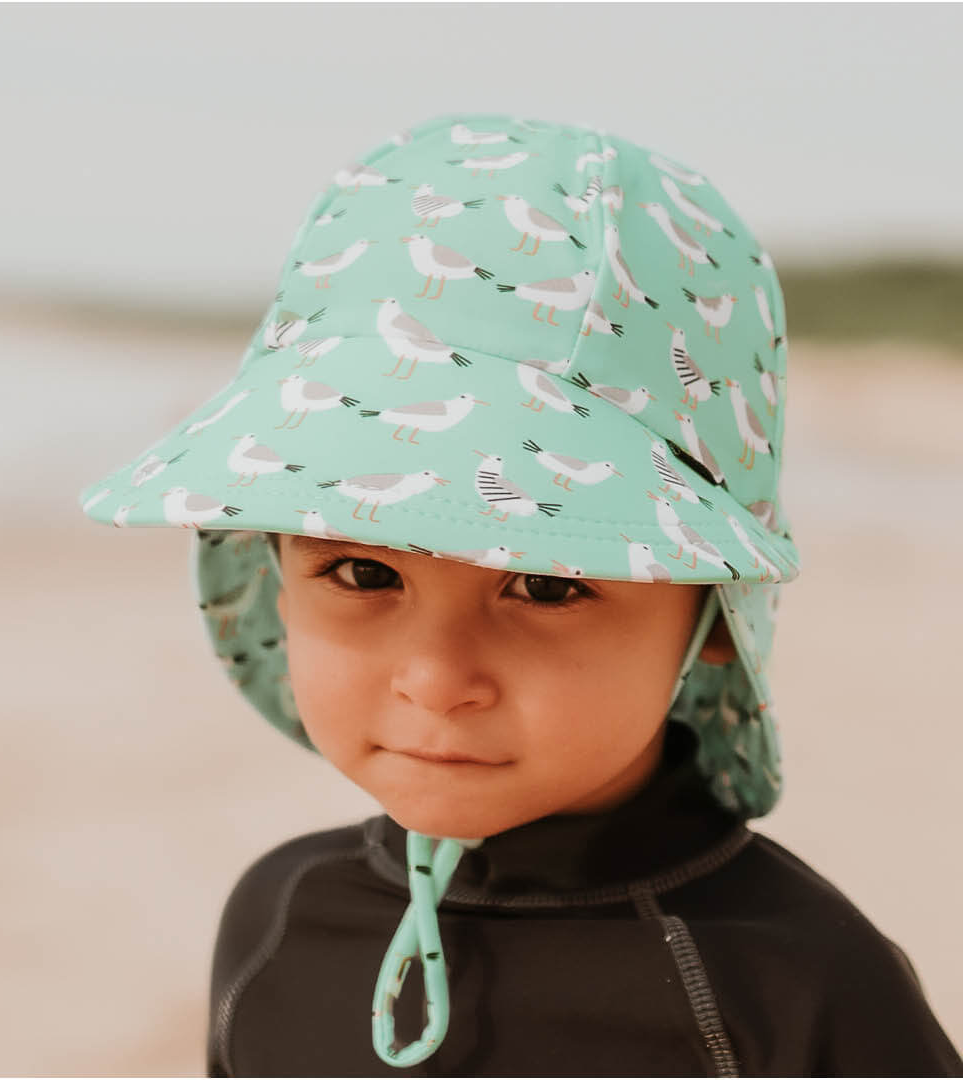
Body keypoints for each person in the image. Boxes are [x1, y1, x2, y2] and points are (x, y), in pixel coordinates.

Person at [78, 112, 963, 1076]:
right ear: (271, 576)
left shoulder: (795, 988)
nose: (437, 678)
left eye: (544, 584)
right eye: (364, 572)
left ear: (716, 613)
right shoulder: (278, 917)